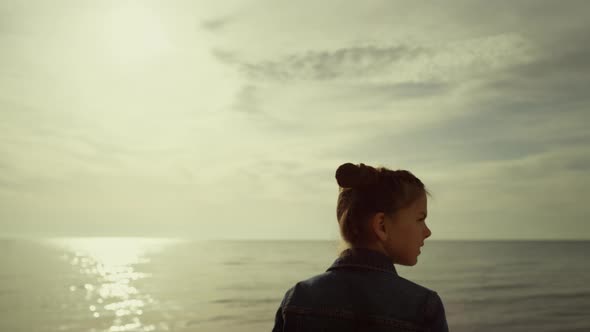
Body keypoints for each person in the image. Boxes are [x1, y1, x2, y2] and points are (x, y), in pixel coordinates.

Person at [272, 162, 449, 332]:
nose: (427, 232)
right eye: (420, 219)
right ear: (382, 226)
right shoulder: (423, 308)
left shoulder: (297, 298)